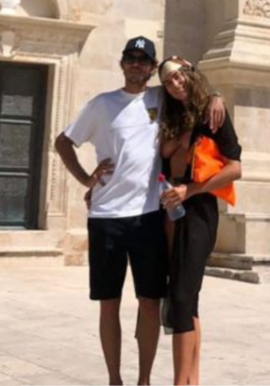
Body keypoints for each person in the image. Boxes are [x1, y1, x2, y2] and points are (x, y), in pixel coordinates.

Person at [53, 37, 225, 386]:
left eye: (143, 60)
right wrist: (86, 178)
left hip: (147, 216)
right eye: (130, 58)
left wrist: (216, 95)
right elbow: (63, 141)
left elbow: (190, 87)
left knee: (149, 302)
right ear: (122, 63)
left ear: (151, 68)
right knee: (109, 303)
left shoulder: (160, 98)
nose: (136, 64)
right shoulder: (102, 104)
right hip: (106, 217)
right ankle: (114, 379)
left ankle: (144, 380)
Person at [157, 57, 242, 386]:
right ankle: (191, 379)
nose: (175, 84)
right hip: (170, 209)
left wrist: (190, 190)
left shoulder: (212, 113)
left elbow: (235, 168)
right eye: (168, 81)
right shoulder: (171, 116)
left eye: (179, 76)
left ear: (190, 74)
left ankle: (180, 382)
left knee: (181, 296)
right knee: (185, 297)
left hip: (198, 209)